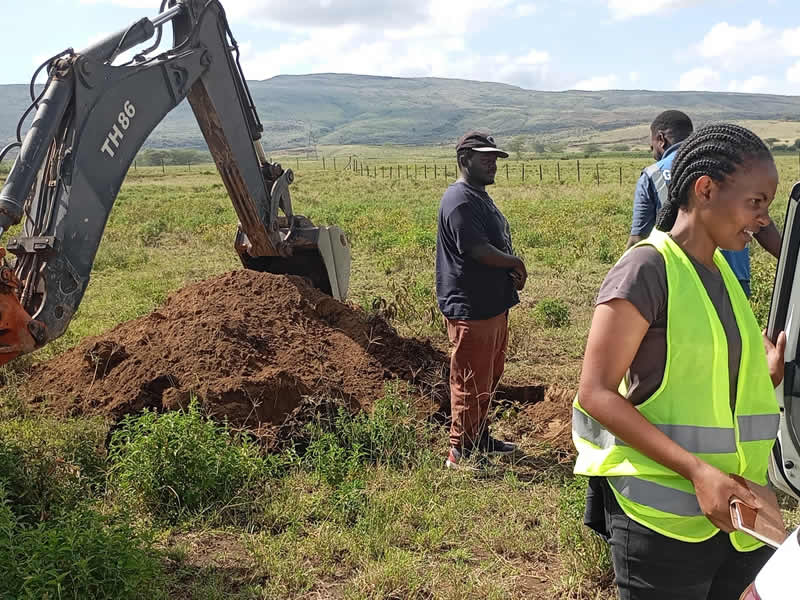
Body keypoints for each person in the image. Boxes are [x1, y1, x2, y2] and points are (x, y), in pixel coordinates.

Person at [573, 124, 787, 599]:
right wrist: (697, 471)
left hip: (735, 512)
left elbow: (700, 377)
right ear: (705, 188)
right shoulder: (646, 268)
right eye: (755, 203)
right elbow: (596, 393)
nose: (763, 221)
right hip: (663, 522)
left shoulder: (720, 275)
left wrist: (763, 373)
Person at [435, 131, 526, 470]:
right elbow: (476, 250)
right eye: (485, 157)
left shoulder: (477, 196)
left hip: (491, 304)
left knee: (487, 378)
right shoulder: (459, 200)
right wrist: (514, 263)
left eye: (496, 158)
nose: (493, 163)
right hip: (471, 308)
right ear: (464, 159)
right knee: (470, 381)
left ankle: (480, 437)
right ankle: (460, 452)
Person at [627, 111, 781, 297]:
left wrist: (624, 281)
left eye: (651, 146)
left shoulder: (653, 174)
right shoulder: (727, 164)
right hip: (736, 277)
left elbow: (638, 238)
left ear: (660, 139)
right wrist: (793, 262)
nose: (653, 152)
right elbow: (762, 225)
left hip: (684, 279)